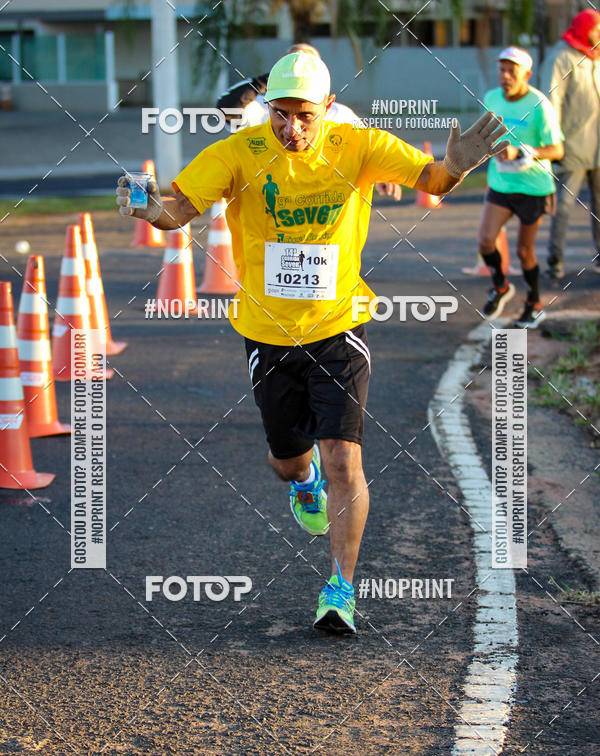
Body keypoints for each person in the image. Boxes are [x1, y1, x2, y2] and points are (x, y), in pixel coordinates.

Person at [117, 51, 507, 633]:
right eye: (280, 114)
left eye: (303, 115)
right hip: (266, 332)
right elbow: (181, 207)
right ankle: (304, 485)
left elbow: (434, 179)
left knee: (344, 457)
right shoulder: (238, 153)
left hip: (339, 327)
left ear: (327, 108)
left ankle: (340, 589)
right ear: (267, 107)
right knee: (286, 461)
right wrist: (151, 208)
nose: (291, 128)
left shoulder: (358, 144)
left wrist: (456, 166)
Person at [217, 44, 403, 201]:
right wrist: (273, 78)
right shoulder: (263, 106)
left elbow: (369, 149)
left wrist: (381, 174)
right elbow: (227, 109)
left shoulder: (338, 114)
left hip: (319, 205)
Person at [478, 47, 564, 328]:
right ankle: (501, 286)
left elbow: (557, 149)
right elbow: (486, 136)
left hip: (533, 187)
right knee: (485, 241)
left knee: (524, 252)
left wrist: (522, 151)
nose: (504, 76)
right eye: (501, 70)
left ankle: (534, 302)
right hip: (502, 183)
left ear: (526, 74)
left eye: (511, 71)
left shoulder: (540, 104)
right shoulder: (491, 98)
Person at [543, 8, 600, 279]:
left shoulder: (597, 57)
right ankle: (555, 261)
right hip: (572, 146)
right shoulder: (562, 57)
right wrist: (554, 141)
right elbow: (550, 102)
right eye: (595, 28)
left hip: (599, 147)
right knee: (564, 204)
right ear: (582, 28)